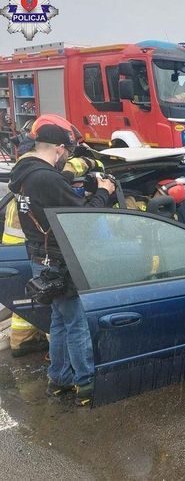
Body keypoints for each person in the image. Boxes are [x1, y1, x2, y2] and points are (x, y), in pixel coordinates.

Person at [8, 115, 115, 406]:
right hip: (59, 261)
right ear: (57, 148)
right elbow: (82, 218)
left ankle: (59, 380)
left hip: (41, 261)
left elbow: (55, 198)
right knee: (76, 321)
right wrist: (104, 193)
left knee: (59, 320)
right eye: (65, 152)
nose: (65, 157)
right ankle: (86, 385)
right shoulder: (47, 178)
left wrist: (73, 186)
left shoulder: (25, 175)